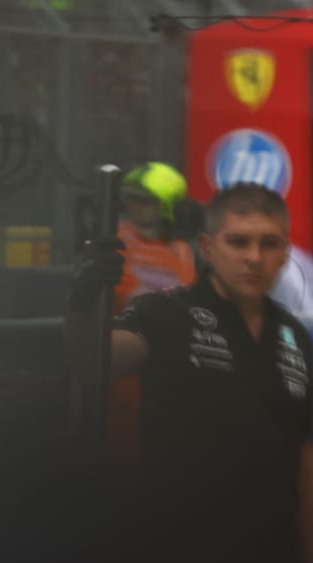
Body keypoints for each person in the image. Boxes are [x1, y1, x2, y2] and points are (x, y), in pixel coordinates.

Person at [66, 182, 313, 563]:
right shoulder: (168, 314)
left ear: (287, 251)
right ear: (207, 246)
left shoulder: (295, 339)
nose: (254, 257)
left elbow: (306, 469)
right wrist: (81, 302)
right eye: (238, 242)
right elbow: (96, 362)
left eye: (268, 243)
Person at [102, 162, 200, 468]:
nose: (135, 205)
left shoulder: (182, 249)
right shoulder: (118, 239)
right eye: (131, 197)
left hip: (172, 362)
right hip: (126, 361)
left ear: (168, 206)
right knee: (123, 448)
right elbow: (129, 294)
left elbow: (192, 298)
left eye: (145, 199)